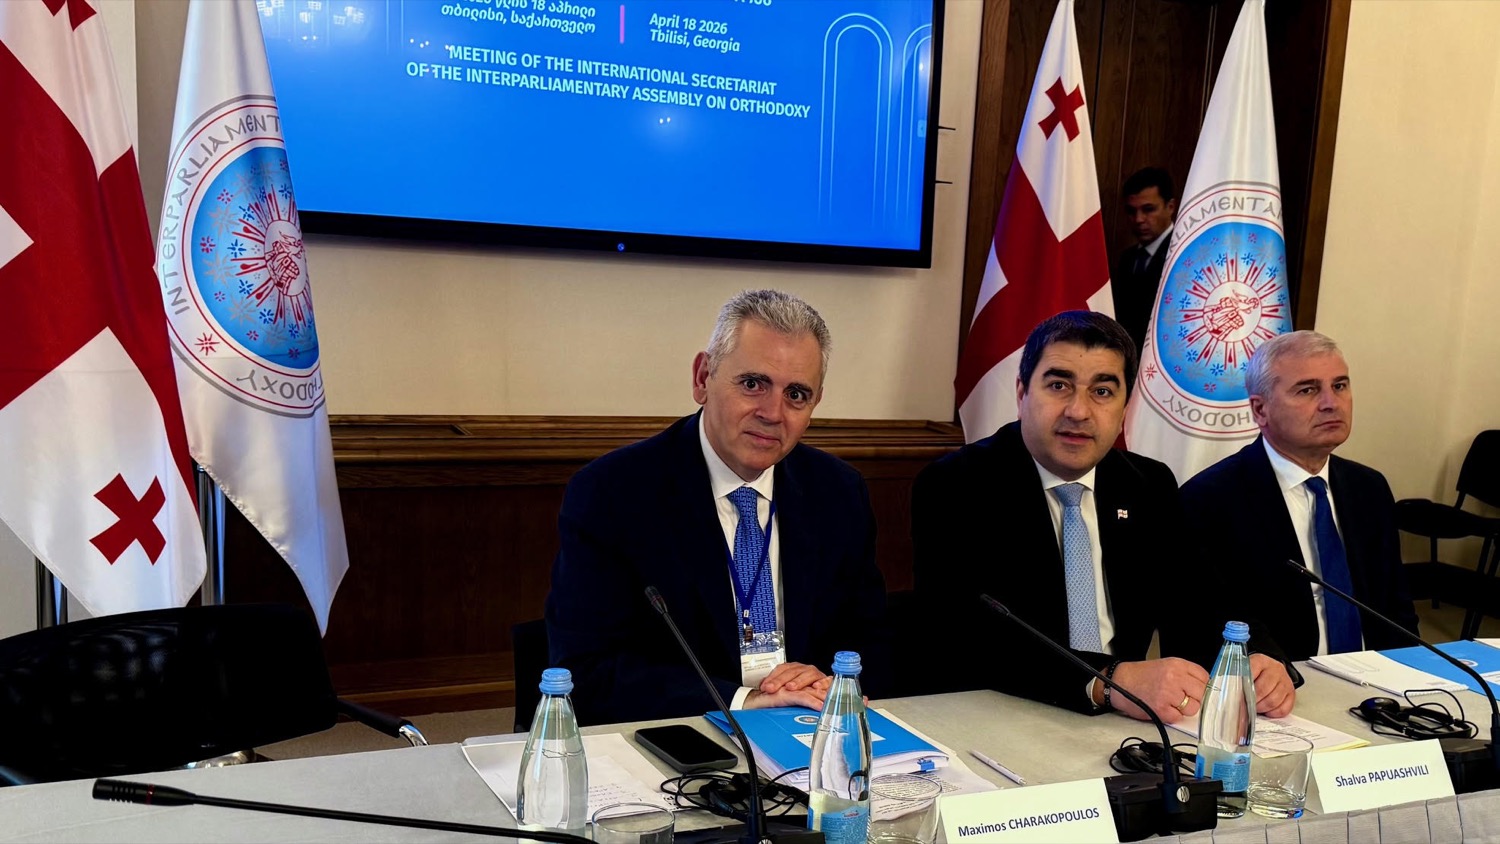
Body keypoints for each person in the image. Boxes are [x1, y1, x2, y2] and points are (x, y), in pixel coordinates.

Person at [545, 289, 888, 726]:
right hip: (681, 730)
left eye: (796, 394)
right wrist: (744, 700)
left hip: (807, 728)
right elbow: (586, 670)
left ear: (815, 404)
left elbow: (872, 641)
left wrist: (831, 680)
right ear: (703, 378)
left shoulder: (838, 492)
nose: (773, 413)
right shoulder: (613, 493)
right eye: (753, 384)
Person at [912, 311, 1209, 723]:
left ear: (1125, 406)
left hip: (1125, 720)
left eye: (1102, 391)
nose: (1078, 411)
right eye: (1058, 385)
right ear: (1021, 393)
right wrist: (1106, 681)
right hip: (1003, 711)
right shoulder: (957, 484)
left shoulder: (1148, 484)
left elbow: (1194, 605)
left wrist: (1250, 658)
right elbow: (964, 636)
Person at [1180, 331, 1418, 690]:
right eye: (1308, 390)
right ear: (1260, 409)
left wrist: (1410, 681)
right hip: (1281, 689)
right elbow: (1208, 623)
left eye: (1340, 386)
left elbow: (1396, 611)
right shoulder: (1210, 499)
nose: (1331, 403)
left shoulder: (1369, 487)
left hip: (1378, 686)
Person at [1111, 167, 1177, 362]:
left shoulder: (1182, 256)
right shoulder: (1128, 258)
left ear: (1170, 207)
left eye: (1148, 209)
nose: (1139, 219)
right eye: (1131, 211)